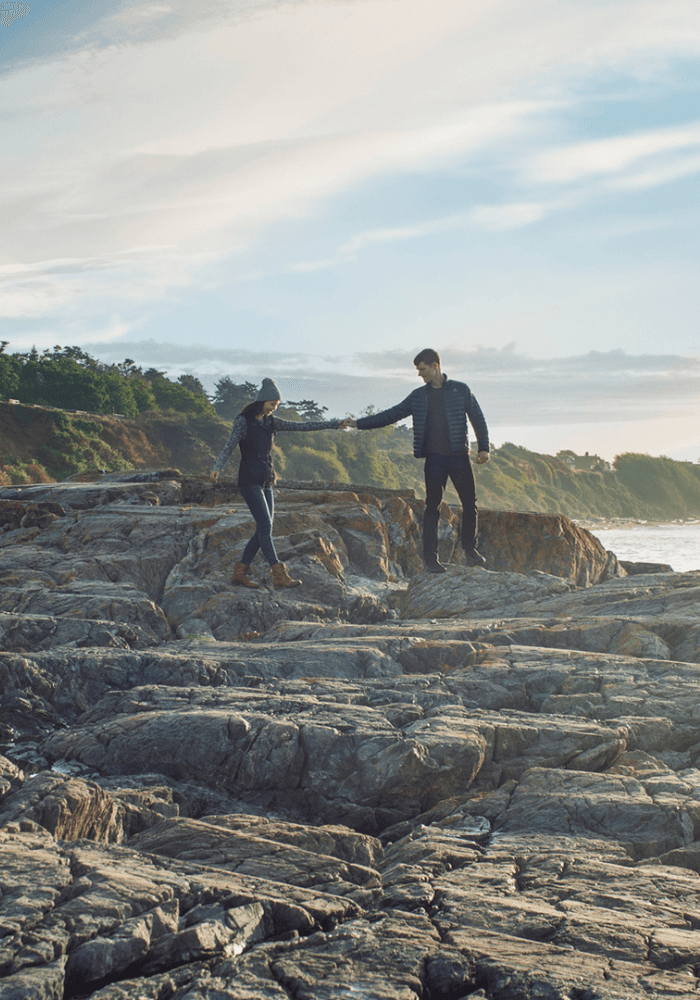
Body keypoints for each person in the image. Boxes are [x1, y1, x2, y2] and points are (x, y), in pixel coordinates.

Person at [349, 348, 490, 573]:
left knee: (469, 503)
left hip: (459, 455)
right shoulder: (419, 396)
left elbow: (478, 418)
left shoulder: (460, 390)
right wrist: (358, 424)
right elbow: (390, 415)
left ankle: (470, 550)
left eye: (422, 369)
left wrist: (483, 447)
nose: (419, 374)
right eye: (418, 370)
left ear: (436, 366)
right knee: (432, 506)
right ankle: (431, 559)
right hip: (434, 458)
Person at [210, 378, 350, 588]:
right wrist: (217, 467)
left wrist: (335, 424)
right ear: (262, 400)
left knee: (264, 529)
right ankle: (279, 574)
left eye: (277, 404)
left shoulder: (272, 422)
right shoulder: (243, 421)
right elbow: (229, 446)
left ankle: (240, 573)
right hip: (249, 480)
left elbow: (303, 426)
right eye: (272, 403)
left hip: (267, 479)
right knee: (265, 526)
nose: (274, 407)